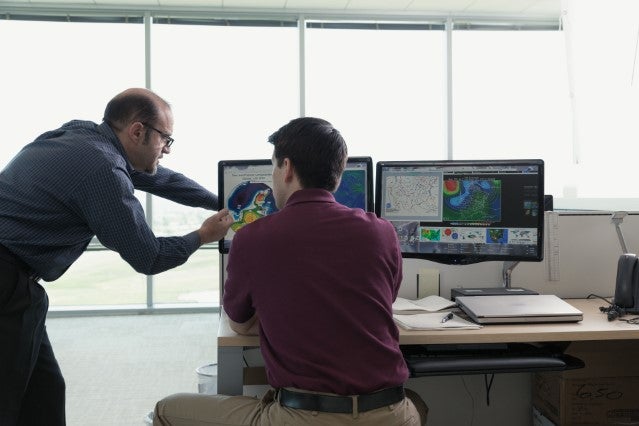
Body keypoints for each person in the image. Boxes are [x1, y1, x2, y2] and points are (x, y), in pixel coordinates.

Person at [153, 117, 428, 425]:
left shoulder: (253, 238)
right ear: (338, 174)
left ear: (287, 168)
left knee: (166, 409)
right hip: (390, 414)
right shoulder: (382, 231)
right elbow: (382, 302)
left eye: (273, 169)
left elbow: (240, 325)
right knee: (417, 403)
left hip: (302, 416)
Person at [0, 88, 233, 426]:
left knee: (44, 393)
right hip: (7, 285)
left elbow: (162, 179)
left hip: (15, 281)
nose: (166, 150)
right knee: (8, 401)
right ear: (138, 131)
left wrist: (223, 200)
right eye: (166, 139)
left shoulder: (80, 134)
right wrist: (202, 236)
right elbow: (148, 257)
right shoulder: (104, 171)